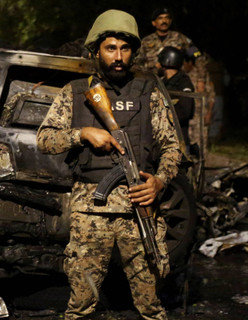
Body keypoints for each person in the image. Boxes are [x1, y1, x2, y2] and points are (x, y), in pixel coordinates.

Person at [36, 9, 181, 320]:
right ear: (96, 51)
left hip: (138, 209)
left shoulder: (148, 94)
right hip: (90, 212)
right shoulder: (75, 93)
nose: (118, 56)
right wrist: (82, 134)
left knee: (152, 307)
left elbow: (172, 148)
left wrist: (159, 181)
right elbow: (45, 140)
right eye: (111, 48)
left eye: (125, 49)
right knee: (80, 306)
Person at [157, 46, 195, 151]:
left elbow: (186, 111)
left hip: (178, 140)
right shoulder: (162, 82)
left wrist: (163, 116)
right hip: (162, 140)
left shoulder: (183, 82)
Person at [137, 7, 194, 75]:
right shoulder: (145, 41)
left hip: (176, 80)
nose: (164, 21)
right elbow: (137, 63)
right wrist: (151, 68)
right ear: (154, 23)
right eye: (160, 18)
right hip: (152, 80)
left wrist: (200, 79)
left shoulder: (180, 38)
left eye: (167, 18)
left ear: (170, 21)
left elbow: (196, 55)